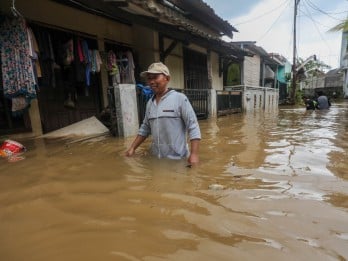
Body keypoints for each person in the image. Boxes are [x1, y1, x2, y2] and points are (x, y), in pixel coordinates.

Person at [125, 62, 201, 164]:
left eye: (155, 77)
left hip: (178, 159)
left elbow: (193, 126)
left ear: (167, 79)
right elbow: (145, 128)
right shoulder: (150, 104)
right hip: (156, 159)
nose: (151, 82)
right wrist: (132, 148)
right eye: (149, 78)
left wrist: (194, 154)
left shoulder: (180, 99)